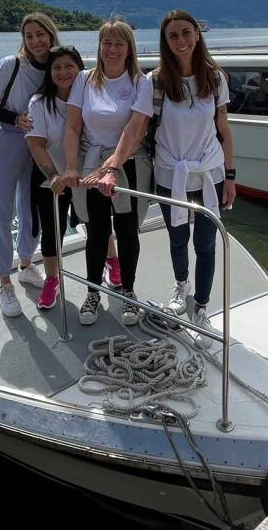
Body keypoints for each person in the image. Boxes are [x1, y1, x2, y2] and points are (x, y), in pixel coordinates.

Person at [146, 10, 236, 348]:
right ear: (165, 42)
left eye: (186, 33)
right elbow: (140, 125)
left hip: (209, 175)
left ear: (197, 34)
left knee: (207, 245)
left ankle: (200, 307)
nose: (181, 41)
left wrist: (230, 175)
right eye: (173, 36)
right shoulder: (154, 81)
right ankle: (181, 285)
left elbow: (224, 129)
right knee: (177, 238)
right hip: (171, 175)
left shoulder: (214, 79)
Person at [63, 19, 153, 326]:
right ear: (99, 47)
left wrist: (112, 167)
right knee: (97, 231)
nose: (112, 49)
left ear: (129, 49)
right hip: (91, 162)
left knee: (128, 232)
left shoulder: (141, 82)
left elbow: (135, 129)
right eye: (106, 43)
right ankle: (93, 292)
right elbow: (73, 125)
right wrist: (73, 166)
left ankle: (128, 291)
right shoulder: (85, 80)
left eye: (119, 43)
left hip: (128, 164)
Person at [0, 13, 56, 318]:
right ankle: (3, 280)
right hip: (8, 140)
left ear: (51, 35)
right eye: (29, 35)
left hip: (39, 142)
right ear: (23, 39)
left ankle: (26, 263)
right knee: (1, 209)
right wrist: (14, 118)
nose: (36, 41)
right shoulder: (11, 64)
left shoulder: (55, 66)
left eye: (41, 34)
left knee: (32, 207)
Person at [25, 45, 85, 310]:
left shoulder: (91, 96)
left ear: (79, 69)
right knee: (52, 234)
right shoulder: (39, 103)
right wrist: (54, 177)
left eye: (69, 66)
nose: (63, 72)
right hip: (52, 179)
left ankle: (112, 264)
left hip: (86, 175)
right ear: (49, 73)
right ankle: (52, 279)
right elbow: (36, 144)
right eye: (56, 67)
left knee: (97, 224)